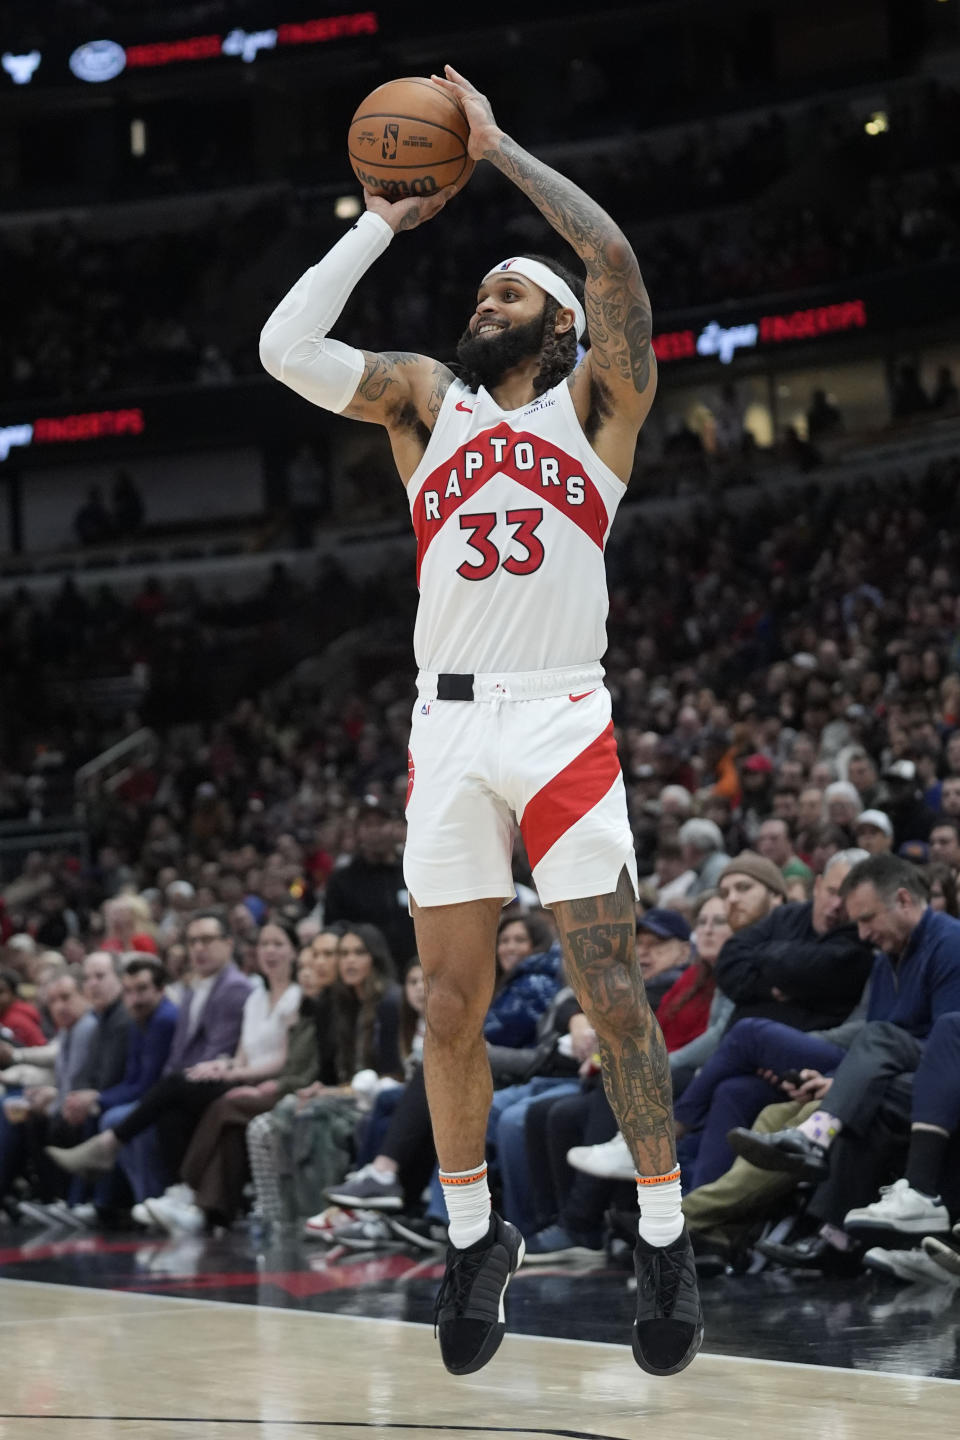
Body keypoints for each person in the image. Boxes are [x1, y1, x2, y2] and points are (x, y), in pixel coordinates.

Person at [259, 63, 701, 1378]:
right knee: (446, 1002)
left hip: (562, 718)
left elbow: (612, 255)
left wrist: (496, 152)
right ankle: (472, 1238)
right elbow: (286, 350)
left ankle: (668, 1238)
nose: (480, 301)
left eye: (504, 290)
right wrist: (382, 224)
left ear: (559, 329)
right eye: (478, 288)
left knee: (608, 986)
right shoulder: (421, 404)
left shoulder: (595, 410)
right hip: (446, 731)